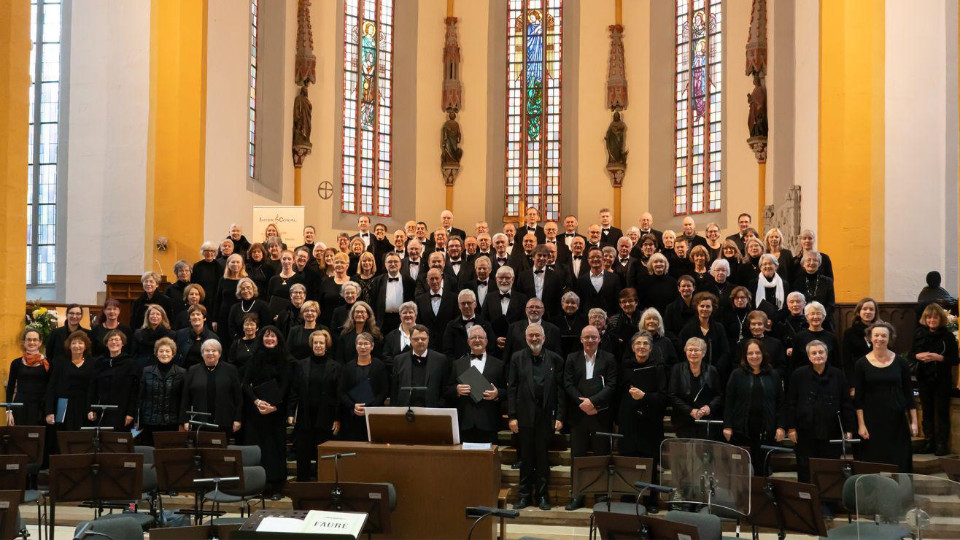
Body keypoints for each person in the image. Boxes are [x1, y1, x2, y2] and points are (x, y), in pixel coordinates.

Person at [508, 324, 565, 511]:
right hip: (524, 417)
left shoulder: (555, 359)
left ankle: (542, 496)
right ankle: (524, 496)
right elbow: (512, 389)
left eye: (537, 335)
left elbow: (560, 390)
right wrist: (512, 416)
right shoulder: (517, 358)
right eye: (531, 335)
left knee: (542, 460)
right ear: (526, 338)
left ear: (544, 337)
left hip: (546, 417)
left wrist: (560, 416)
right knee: (525, 458)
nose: (534, 339)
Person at [563, 325, 618, 511]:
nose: (590, 340)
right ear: (580, 339)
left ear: (599, 339)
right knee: (577, 458)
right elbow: (568, 384)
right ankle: (577, 495)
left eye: (593, 337)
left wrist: (593, 403)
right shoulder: (572, 358)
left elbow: (611, 385)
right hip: (578, 416)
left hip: (600, 415)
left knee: (601, 457)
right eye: (586, 337)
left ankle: (601, 495)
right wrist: (583, 403)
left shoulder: (609, 359)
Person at [786, 340, 855, 483]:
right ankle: (807, 499)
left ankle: (828, 502)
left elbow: (845, 403)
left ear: (827, 354)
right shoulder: (798, 375)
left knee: (830, 467)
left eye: (821, 352)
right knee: (805, 467)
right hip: (805, 430)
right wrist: (791, 427)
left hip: (831, 429)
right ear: (809, 356)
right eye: (814, 353)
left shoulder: (838, 375)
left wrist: (848, 428)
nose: (818, 355)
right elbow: (791, 402)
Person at [854, 322, 918, 472]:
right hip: (872, 419)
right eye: (876, 335)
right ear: (870, 338)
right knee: (874, 459)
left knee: (899, 458)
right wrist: (861, 424)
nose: (880, 338)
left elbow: (909, 393)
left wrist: (914, 422)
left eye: (884, 335)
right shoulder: (861, 364)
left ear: (889, 339)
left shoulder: (901, 362)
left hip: (897, 420)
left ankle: (899, 493)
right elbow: (859, 398)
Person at [242, 326, 294, 498]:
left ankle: (276, 487)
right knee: (259, 449)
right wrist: (257, 402)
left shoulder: (286, 360)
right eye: (266, 336)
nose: (269, 339)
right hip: (256, 411)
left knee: (275, 449)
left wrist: (274, 406)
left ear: (278, 339)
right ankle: (259, 486)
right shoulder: (254, 358)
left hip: (276, 412)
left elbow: (286, 386)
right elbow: (245, 384)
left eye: (273, 337)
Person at [722, 339, 785, 474]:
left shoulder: (773, 374)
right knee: (741, 470)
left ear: (763, 354)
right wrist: (727, 425)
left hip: (766, 430)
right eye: (750, 353)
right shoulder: (737, 374)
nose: (754, 356)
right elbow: (729, 401)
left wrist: (780, 426)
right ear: (745, 356)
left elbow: (780, 402)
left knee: (762, 468)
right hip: (742, 430)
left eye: (757, 353)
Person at [909, 303, 959, 455]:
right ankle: (929, 442)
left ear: (941, 319)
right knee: (927, 412)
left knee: (942, 412)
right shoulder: (919, 334)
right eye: (929, 317)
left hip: (941, 379)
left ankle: (941, 444)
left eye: (935, 317)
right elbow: (910, 355)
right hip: (924, 378)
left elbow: (955, 360)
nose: (932, 320)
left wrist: (940, 358)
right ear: (925, 318)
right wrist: (918, 356)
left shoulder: (948, 336)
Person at [291, 330, 341, 481]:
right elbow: (294, 390)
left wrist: (337, 419)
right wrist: (290, 413)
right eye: (316, 342)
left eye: (321, 343)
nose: (318, 345)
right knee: (303, 454)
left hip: (326, 417)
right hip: (305, 416)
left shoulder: (336, 367)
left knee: (324, 455)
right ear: (311, 345)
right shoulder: (301, 365)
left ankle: (323, 485)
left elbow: (339, 395)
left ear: (327, 346)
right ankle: (303, 486)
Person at [445, 326, 505, 444]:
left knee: (488, 461)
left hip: (489, 422)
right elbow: (447, 390)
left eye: (480, 337)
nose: (477, 340)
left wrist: (497, 393)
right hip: (464, 422)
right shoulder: (457, 364)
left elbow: (507, 391)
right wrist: (456, 390)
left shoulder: (499, 364)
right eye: (473, 338)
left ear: (486, 341)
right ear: (468, 342)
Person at [617, 331, 669, 459]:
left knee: (648, 464)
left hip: (650, 423)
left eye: (645, 343)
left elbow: (664, 397)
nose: (642, 346)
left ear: (650, 348)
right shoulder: (624, 367)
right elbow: (618, 396)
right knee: (628, 464)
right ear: (633, 347)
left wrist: (644, 396)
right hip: (628, 422)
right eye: (638, 343)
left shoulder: (659, 367)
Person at [180, 339, 243, 438]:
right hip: (200, 422)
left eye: (214, 350)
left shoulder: (231, 370)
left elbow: (238, 397)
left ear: (220, 353)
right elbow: (186, 397)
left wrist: (237, 418)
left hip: (225, 421)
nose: (210, 353)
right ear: (202, 353)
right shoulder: (193, 370)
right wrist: (185, 420)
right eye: (207, 350)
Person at [337, 332, 389, 442]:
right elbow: (341, 391)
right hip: (351, 416)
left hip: (373, 415)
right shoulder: (348, 367)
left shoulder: (379, 366)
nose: (363, 347)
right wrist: (353, 406)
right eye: (360, 344)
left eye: (366, 344)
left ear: (372, 346)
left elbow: (383, 390)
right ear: (355, 346)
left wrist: (370, 408)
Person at [668, 337, 723, 439]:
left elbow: (719, 395)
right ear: (685, 352)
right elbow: (672, 396)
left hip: (705, 420)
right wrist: (690, 411)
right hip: (683, 420)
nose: (693, 353)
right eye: (690, 350)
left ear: (704, 353)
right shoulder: (677, 369)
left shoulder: (712, 370)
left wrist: (709, 407)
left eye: (696, 350)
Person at [46, 331, 96, 443]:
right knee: (62, 438)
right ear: (69, 345)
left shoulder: (93, 363)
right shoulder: (59, 362)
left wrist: (92, 409)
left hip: (84, 406)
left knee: (83, 438)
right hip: (63, 405)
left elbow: (93, 389)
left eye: (80, 343)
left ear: (86, 346)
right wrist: (49, 411)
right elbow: (51, 387)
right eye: (74, 343)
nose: (77, 346)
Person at [136, 337, 186, 446]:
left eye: (168, 351)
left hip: (171, 422)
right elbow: (140, 397)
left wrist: (182, 421)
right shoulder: (146, 371)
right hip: (149, 421)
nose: (164, 354)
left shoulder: (182, 373)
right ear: (156, 354)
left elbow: (183, 399)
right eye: (161, 351)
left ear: (173, 354)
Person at [89, 329, 140, 431]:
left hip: (122, 411)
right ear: (106, 343)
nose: (114, 342)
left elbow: (134, 391)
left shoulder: (130, 364)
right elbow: (93, 388)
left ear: (123, 343)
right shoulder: (100, 363)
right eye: (111, 340)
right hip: (102, 410)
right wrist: (91, 409)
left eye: (117, 340)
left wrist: (130, 413)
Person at [391, 325, 449, 407]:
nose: (420, 341)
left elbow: (445, 388)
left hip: (433, 410)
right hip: (405, 409)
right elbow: (394, 390)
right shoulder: (399, 360)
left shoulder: (441, 360)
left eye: (423, 339)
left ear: (428, 340)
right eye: (416, 339)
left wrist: (439, 406)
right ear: (410, 340)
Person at [679, 292, 731, 382]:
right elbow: (682, 351)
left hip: (715, 373)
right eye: (702, 306)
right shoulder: (688, 328)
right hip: (693, 374)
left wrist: (715, 369)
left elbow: (725, 351)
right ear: (697, 307)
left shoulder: (719, 328)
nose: (704, 309)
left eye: (708, 306)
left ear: (712, 308)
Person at [6, 328, 51, 427]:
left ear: (40, 343)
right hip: (20, 406)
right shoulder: (16, 363)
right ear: (24, 342)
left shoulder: (48, 363)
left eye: (35, 340)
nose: (32, 342)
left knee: (39, 439)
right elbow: (10, 388)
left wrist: (50, 411)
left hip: (40, 408)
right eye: (29, 339)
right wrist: (8, 411)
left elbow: (51, 389)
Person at [442, 289, 496, 361]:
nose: (466, 306)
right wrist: (457, 366)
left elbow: (491, 349)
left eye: (469, 303)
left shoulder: (486, 325)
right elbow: (447, 351)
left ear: (475, 304)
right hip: (459, 368)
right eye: (463, 303)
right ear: (459, 306)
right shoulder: (451, 326)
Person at [369, 252, 416, 335]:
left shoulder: (409, 281)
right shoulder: (377, 281)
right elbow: (373, 303)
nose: (393, 264)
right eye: (390, 262)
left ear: (400, 264)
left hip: (402, 319)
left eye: (395, 262)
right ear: (385, 264)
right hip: (383, 321)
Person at [788, 302, 839, 376]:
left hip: (828, 378)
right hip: (804, 379)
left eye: (818, 313)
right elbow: (793, 364)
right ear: (807, 317)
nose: (815, 316)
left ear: (824, 317)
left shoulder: (832, 337)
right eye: (812, 314)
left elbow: (837, 363)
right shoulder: (799, 337)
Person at [737, 310, 787, 377]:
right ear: (749, 326)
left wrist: (771, 375)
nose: (756, 327)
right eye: (753, 324)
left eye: (760, 324)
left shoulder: (776, 343)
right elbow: (737, 365)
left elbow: (782, 367)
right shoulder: (742, 344)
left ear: (765, 326)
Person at [841, 298, 878, 388]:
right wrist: (852, 384)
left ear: (875, 313)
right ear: (858, 312)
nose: (868, 312)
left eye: (871, 309)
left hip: (877, 374)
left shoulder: (880, 331)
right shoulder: (850, 333)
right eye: (865, 309)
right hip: (858, 375)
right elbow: (847, 360)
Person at [791, 251, 836, 323]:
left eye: (815, 260)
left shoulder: (827, 281)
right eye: (808, 260)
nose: (812, 263)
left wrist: (821, 317)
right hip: (804, 322)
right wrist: (808, 319)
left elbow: (831, 304)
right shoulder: (798, 282)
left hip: (825, 321)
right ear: (803, 264)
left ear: (819, 264)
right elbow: (797, 304)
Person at [226, 278, 272, 345]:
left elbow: (267, 326)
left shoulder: (263, 305)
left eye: (248, 288)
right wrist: (240, 341)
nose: (246, 291)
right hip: (239, 343)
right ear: (239, 291)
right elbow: (231, 328)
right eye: (243, 289)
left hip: (259, 343)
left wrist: (255, 341)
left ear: (254, 289)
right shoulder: (234, 307)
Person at [174, 305, 219, 369]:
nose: (195, 317)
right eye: (193, 315)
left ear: (204, 318)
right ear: (189, 319)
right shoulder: (180, 334)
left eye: (198, 314)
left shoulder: (213, 337)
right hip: (184, 372)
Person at [381, 302, 418, 376]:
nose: (408, 315)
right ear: (400, 316)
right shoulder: (390, 336)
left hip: (419, 374)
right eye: (404, 313)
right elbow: (386, 357)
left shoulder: (424, 333)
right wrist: (399, 368)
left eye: (411, 312)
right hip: (397, 375)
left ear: (415, 315)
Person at [214, 254, 245, 337]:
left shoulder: (245, 279)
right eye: (233, 262)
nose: (235, 264)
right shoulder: (223, 279)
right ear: (228, 264)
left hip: (240, 314)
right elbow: (218, 300)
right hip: (224, 315)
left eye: (238, 262)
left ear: (242, 265)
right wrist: (214, 320)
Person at [748, 254, 788, 320]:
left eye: (770, 263)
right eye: (764, 264)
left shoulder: (784, 284)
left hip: (778, 320)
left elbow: (785, 306)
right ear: (760, 267)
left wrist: (774, 320)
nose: (767, 266)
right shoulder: (753, 283)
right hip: (759, 321)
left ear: (776, 266)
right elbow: (751, 305)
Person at [550, 291, 588, 356]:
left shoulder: (585, 320)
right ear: (562, 305)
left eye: (573, 303)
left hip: (580, 354)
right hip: (559, 354)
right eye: (567, 302)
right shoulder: (554, 320)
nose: (570, 305)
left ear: (578, 306)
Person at [193, 242, 223, 313]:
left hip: (215, 297)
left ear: (215, 253)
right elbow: (194, 283)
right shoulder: (197, 266)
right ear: (202, 252)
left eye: (212, 251)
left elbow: (220, 284)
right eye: (206, 251)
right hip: (201, 297)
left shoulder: (219, 266)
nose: (209, 253)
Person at [228, 313, 259, 380]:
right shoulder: (236, 343)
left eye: (252, 324)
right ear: (243, 327)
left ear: (257, 328)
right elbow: (231, 364)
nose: (249, 327)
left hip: (257, 379)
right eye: (246, 324)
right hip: (240, 378)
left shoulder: (260, 343)